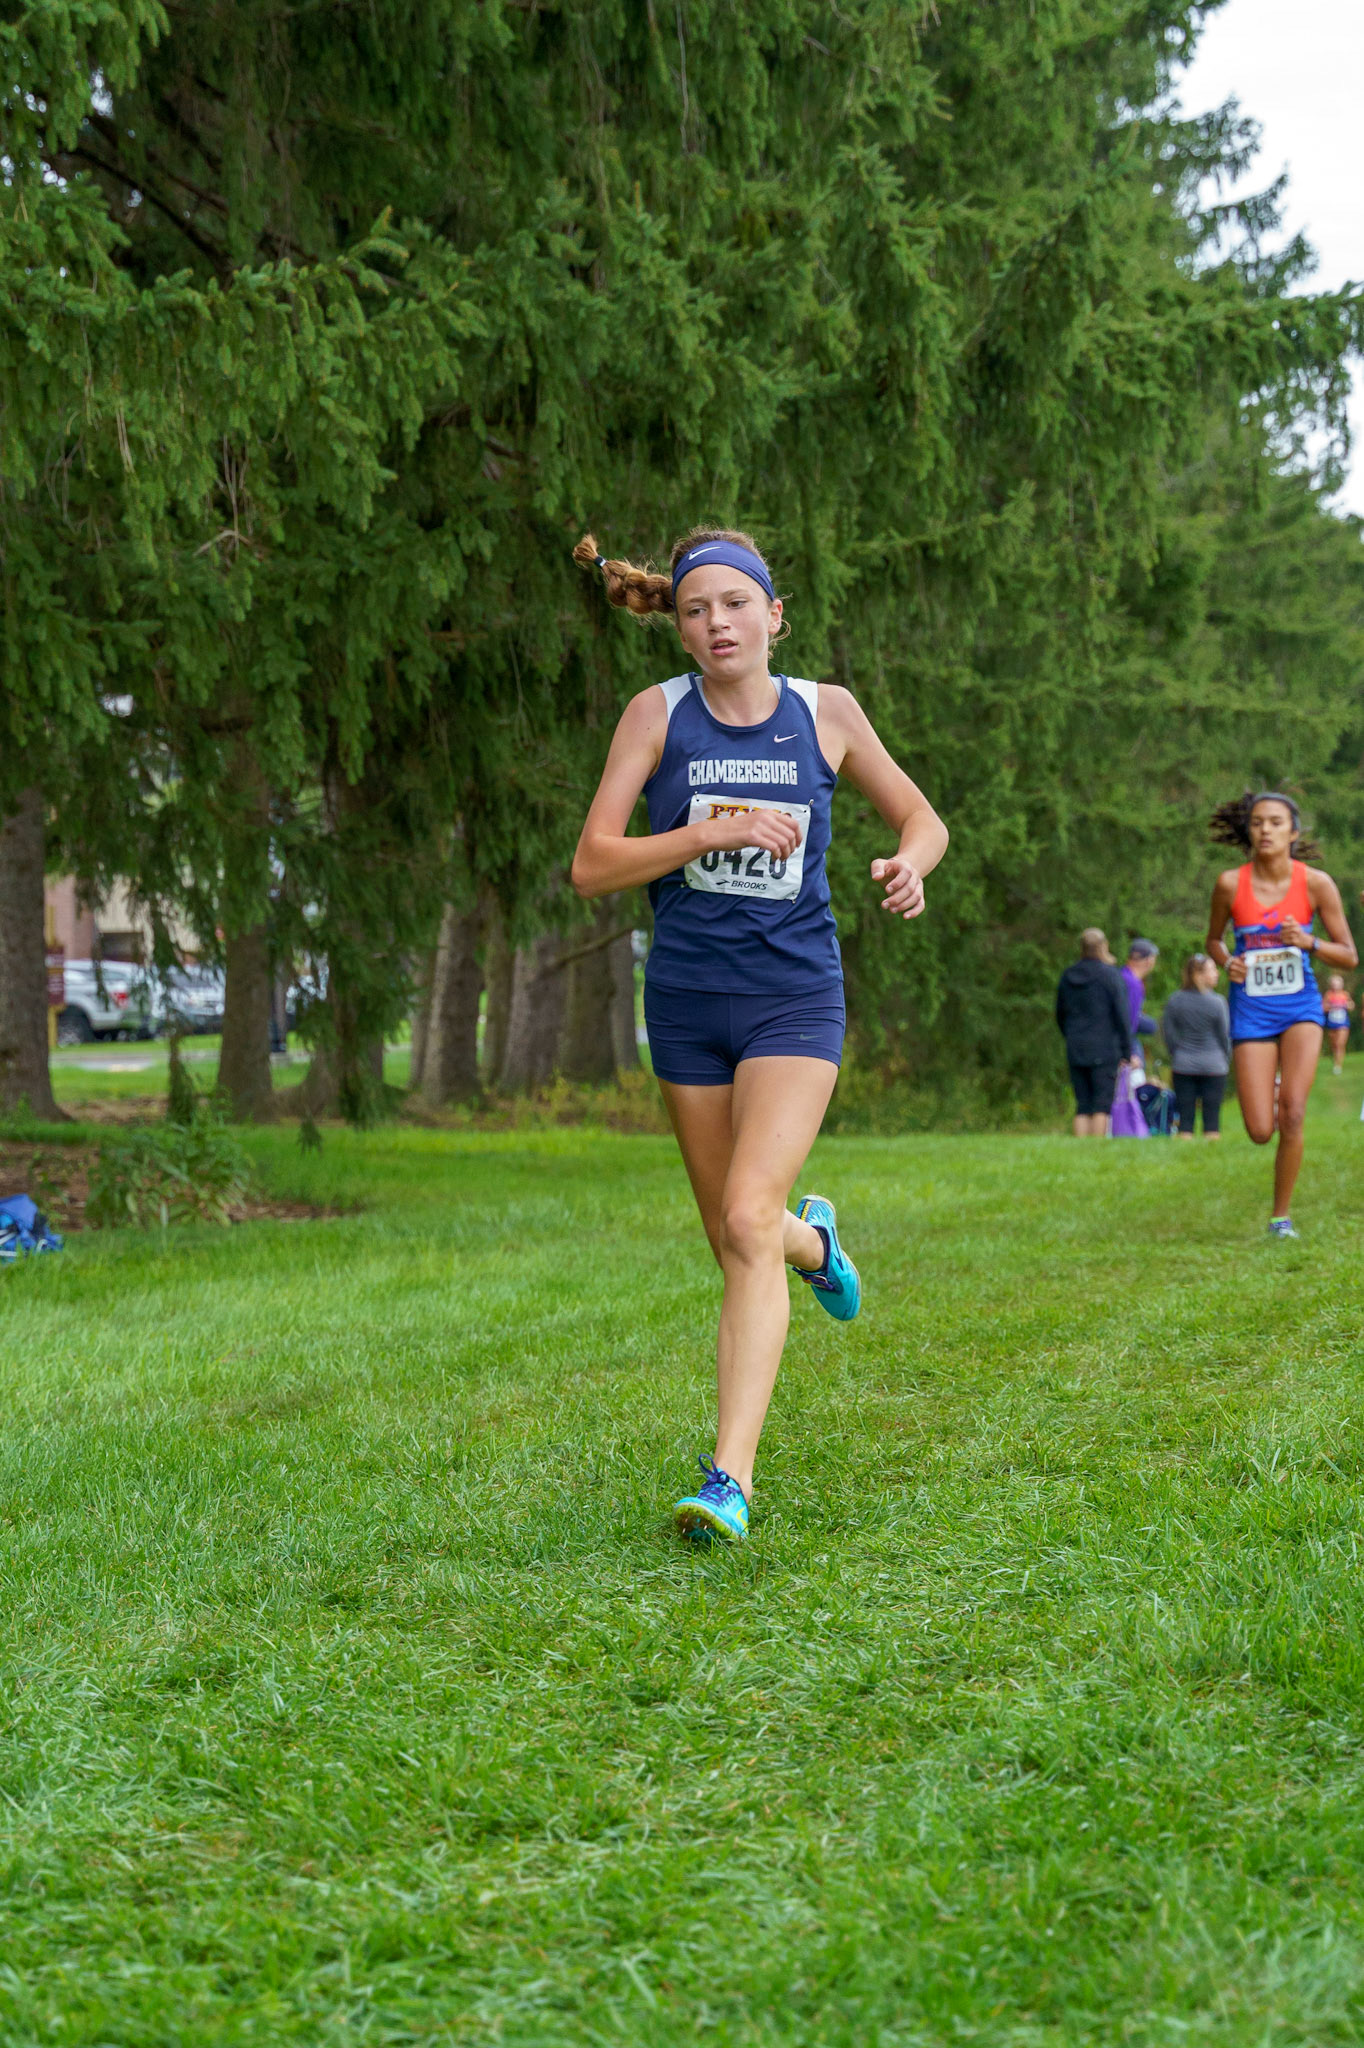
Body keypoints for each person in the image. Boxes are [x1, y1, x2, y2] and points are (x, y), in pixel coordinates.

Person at [570, 526, 949, 1542]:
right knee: (738, 1236)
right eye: (696, 610)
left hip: (793, 999)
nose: (717, 624)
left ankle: (728, 1479)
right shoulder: (655, 715)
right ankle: (814, 1242)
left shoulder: (826, 712)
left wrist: (910, 864)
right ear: (679, 628)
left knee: (745, 1219)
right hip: (687, 1004)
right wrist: (709, 830)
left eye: (735, 604)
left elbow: (923, 818)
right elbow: (593, 863)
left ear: (773, 614)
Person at [1206, 790, 1357, 1238]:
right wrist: (1226, 962)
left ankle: (1280, 1218)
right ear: (1248, 831)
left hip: (1300, 1007)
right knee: (1259, 1130)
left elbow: (1348, 956)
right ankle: (1273, 1085)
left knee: (1292, 1115)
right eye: (1257, 823)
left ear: (1293, 831)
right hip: (1251, 1008)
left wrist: (1310, 942)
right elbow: (1213, 941)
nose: (1265, 830)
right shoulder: (1230, 884)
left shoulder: (1316, 884)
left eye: (1275, 822)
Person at [1055, 928, 1130, 1135]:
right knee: (1101, 1103)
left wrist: (1070, 1035)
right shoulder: (1110, 976)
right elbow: (1122, 1015)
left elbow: (1060, 1013)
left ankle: (1081, 1145)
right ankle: (1096, 1146)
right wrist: (1126, 1049)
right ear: (1103, 946)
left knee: (1083, 1102)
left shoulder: (1068, 976)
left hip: (1076, 1045)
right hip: (1104, 1047)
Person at [1161, 953, 1230, 1139]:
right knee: (1212, 1117)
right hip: (1214, 1065)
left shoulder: (1175, 1000)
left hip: (1183, 1064)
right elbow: (1224, 1035)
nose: (1217, 973)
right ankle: (1211, 1147)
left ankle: (1185, 1145)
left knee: (1185, 1118)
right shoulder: (1217, 1002)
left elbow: (1168, 1033)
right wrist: (1225, 1057)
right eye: (1212, 970)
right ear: (1198, 975)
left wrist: (1177, 1053)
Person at [1120, 938, 1159, 1055]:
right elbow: (1128, 1021)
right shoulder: (1133, 983)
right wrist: (1129, 1053)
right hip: (1121, 1044)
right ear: (1149, 960)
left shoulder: (1121, 974)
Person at [1323, 975, 1354, 1073]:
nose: (1336, 985)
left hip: (1343, 1022)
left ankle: (1338, 1065)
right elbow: (1323, 1007)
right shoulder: (1328, 995)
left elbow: (1351, 1006)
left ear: (1341, 984)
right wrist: (1332, 1007)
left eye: (1338, 983)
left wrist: (1347, 1005)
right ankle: (1335, 1059)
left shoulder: (1345, 994)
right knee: (1334, 1044)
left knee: (1340, 1043)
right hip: (1331, 1022)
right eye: (1334, 983)